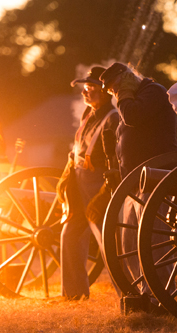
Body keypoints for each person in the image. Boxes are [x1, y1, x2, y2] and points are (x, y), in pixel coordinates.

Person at [98, 62, 177, 305]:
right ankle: (145, 293)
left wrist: (124, 93)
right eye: (112, 91)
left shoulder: (152, 92)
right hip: (133, 181)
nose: (113, 94)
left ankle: (161, 295)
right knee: (130, 243)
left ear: (126, 79)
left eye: (114, 88)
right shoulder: (131, 98)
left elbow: (132, 117)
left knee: (154, 240)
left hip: (154, 177)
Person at [56, 66, 120, 300]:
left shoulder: (113, 117)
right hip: (79, 178)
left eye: (91, 88)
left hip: (99, 181)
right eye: (85, 88)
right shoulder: (87, 114)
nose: (85, 92)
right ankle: (73, 294)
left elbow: (115, 156)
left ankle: (127, 293)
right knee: (69, 235)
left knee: (106, 240)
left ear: (104, 92)